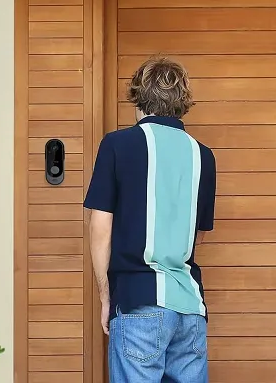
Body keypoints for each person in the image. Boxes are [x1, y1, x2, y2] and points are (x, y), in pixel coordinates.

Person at [84, 57, 216, 383]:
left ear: (138, 97)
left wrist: (105, 295)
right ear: (182, 101)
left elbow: (100, 227)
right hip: (190, 308)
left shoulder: (117, 145)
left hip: (139, 302)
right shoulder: (203, 155)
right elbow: (197, 236)